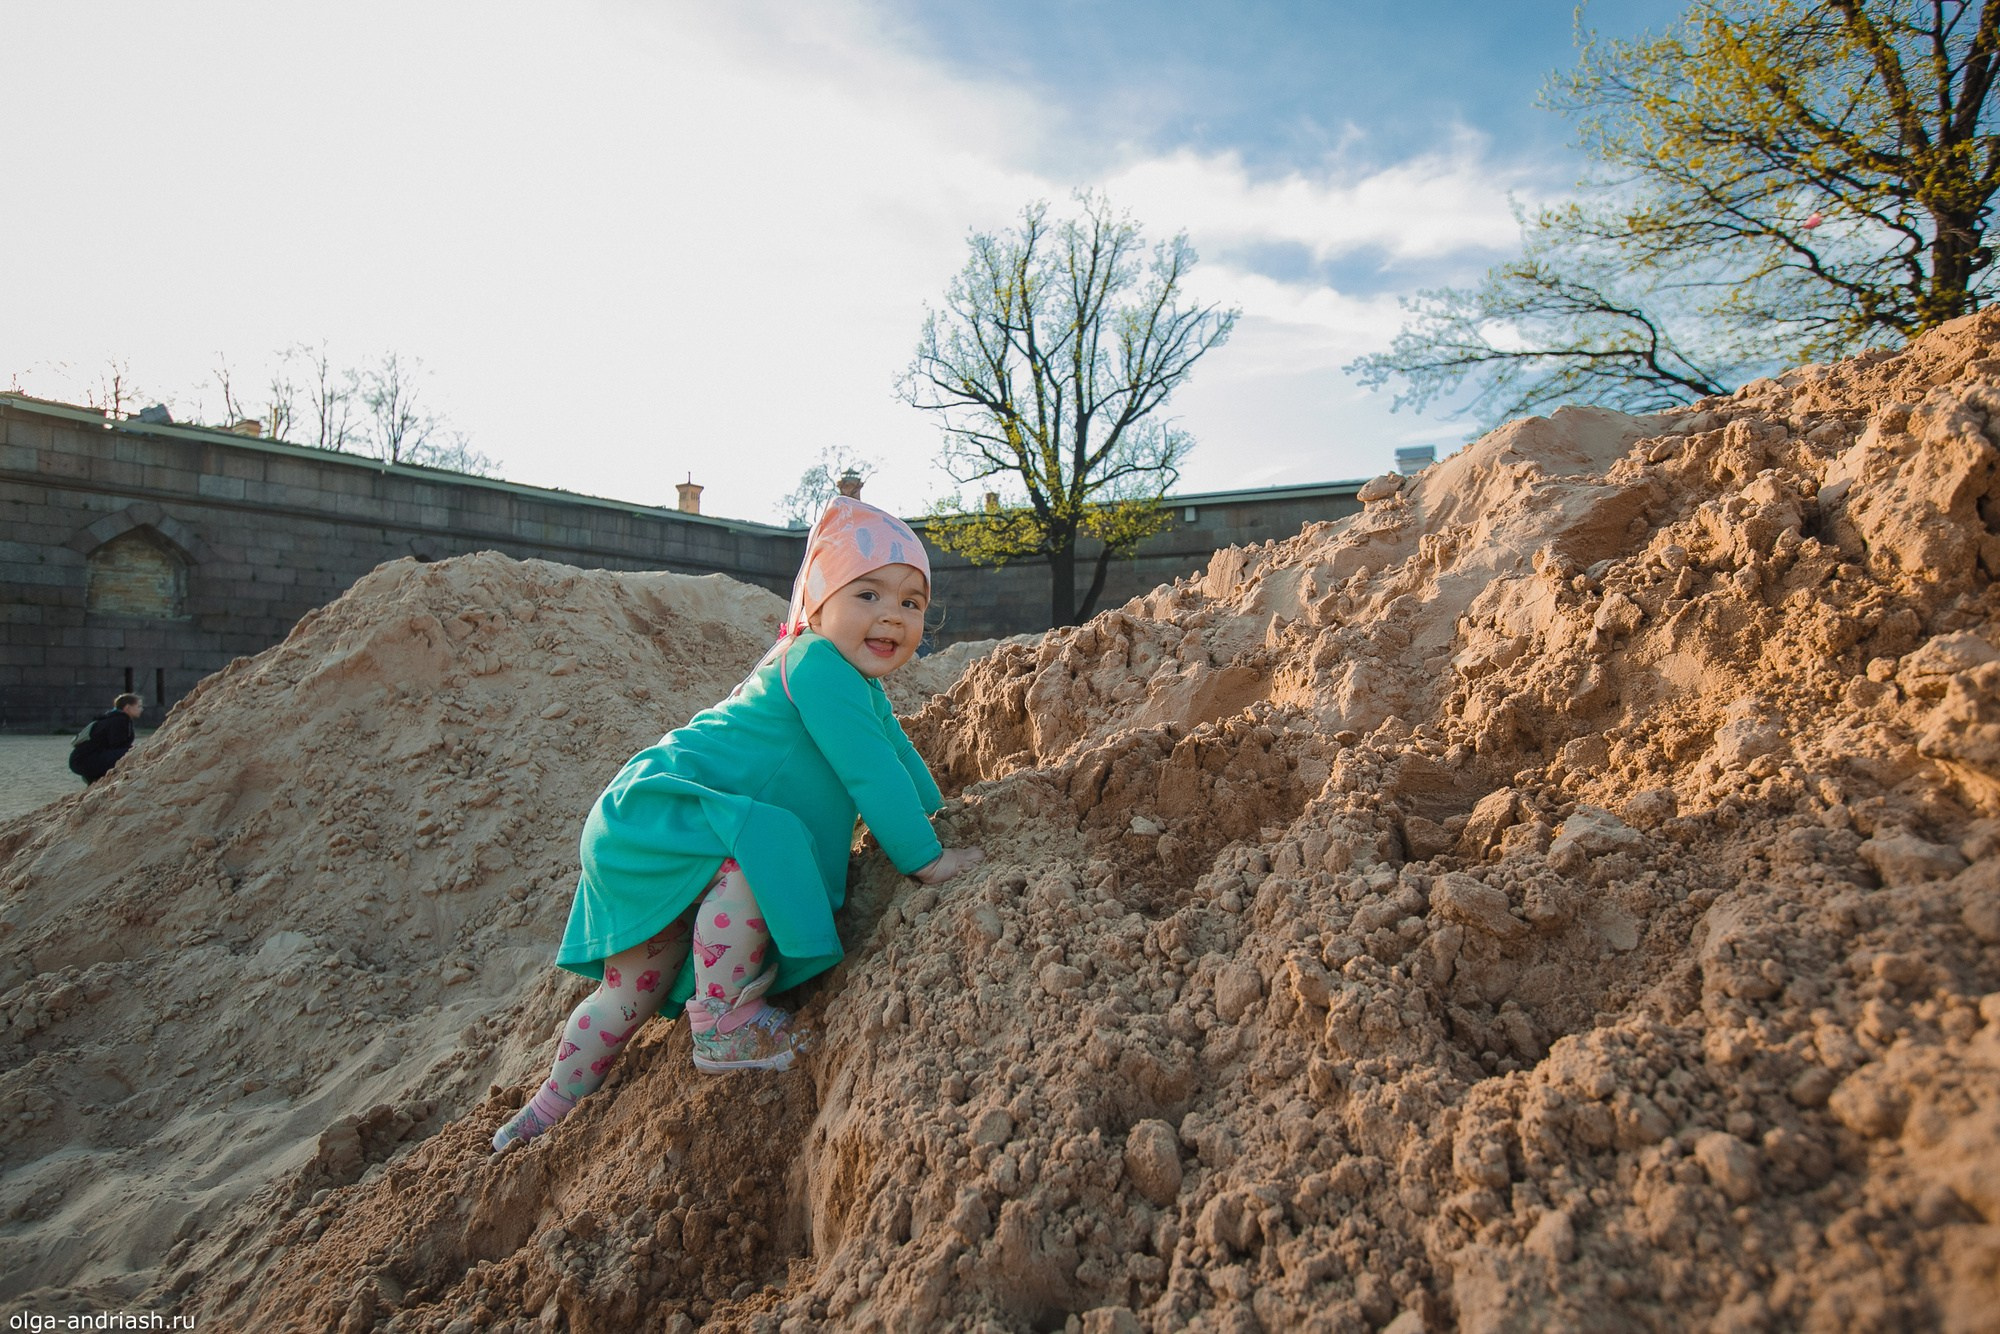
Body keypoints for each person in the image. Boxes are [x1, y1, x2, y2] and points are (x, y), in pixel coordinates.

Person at [492, 497, 985, 1153]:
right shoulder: (817, 665)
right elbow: (871, 773)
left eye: (912, 602)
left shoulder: (845, 680)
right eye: (867, 594)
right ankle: (724, 1024)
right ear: (816, 605)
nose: (892, 614)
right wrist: (927, 857)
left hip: (647, 821)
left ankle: (546, 1109)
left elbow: (896, 756)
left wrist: (939, 810)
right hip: (664, 813)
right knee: (762, 849)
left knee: (632, 987)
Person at [68, 693, 143, 785]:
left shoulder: (111, 717)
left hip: (80, 760)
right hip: (85, 760)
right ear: (127, 707)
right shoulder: (120, 719)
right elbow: (118, 745)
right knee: (131, 752)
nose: (141, 709)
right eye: (138, 706)